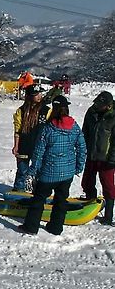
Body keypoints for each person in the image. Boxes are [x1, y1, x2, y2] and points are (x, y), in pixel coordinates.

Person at [18, 95, 86, 235]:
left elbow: (38, 152)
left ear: (53, 109)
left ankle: (31, 227)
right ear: (66, 108)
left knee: (39, 199)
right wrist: (79, 167)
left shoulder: (48, 129)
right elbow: (82, 148)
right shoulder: (74, 127)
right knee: (61, 201)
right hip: (67, 173)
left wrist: (33, 171)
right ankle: (56, 227)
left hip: (48, 173)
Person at [81, 91, 115, 226]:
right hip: (91, 154)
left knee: (108, 186)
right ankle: (91, 206)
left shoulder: (113, 116)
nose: (96, 106)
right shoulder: (91, 112)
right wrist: (83, 149)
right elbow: (85, 132)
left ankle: (108, 215)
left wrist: (112, 158)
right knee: (87, 182)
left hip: (106, 158)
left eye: (100, 104)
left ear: (108, 105)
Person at [12, 84, 50, 192]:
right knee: (22, 171)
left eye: (40, 94)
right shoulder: (21, 111)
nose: (39, 96)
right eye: (36, 94)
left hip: (40, 147)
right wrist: (16, 145)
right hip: (24, 145)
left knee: (39, 171)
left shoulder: (46, 110)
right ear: (29, 96)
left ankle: (38, 192)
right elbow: (17, 129)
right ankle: (18, 192)